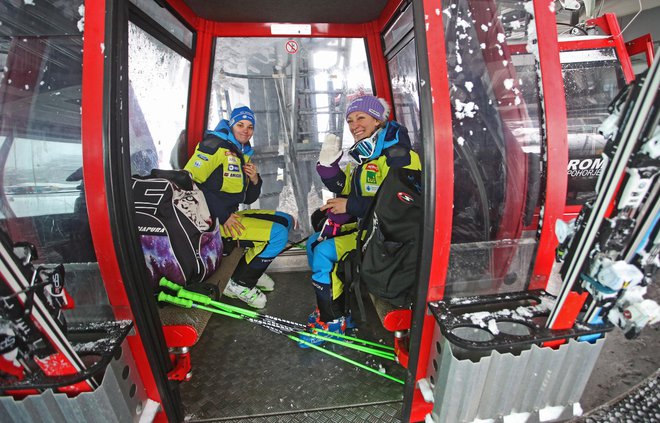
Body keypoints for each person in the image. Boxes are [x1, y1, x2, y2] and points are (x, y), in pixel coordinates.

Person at [300, 95, 422, 347]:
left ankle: (332, 323)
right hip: (370, 229)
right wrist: (327, 168)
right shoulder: (368, 155)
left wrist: (351, 206)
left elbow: (404, 211)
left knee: (323, 252)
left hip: (391, 243)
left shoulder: (400, 158)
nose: (354, 125)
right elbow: (346, 186)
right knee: (314, 241)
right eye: (350, 120)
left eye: (361, 118)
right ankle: (334, 306)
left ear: (378, 120)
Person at [184, 105, 294, 309]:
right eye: (241, 124)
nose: (246, 130)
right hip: (213, 221)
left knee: (285, 221)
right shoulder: (214, 145)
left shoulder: (240, 152)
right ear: (231, 125)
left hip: (229, 214)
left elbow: (248, 198)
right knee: (277, 234)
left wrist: (254, 180)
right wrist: (223, 215)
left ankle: (250, 271)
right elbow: (190, 184)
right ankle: (240, 284)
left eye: (250, 126)